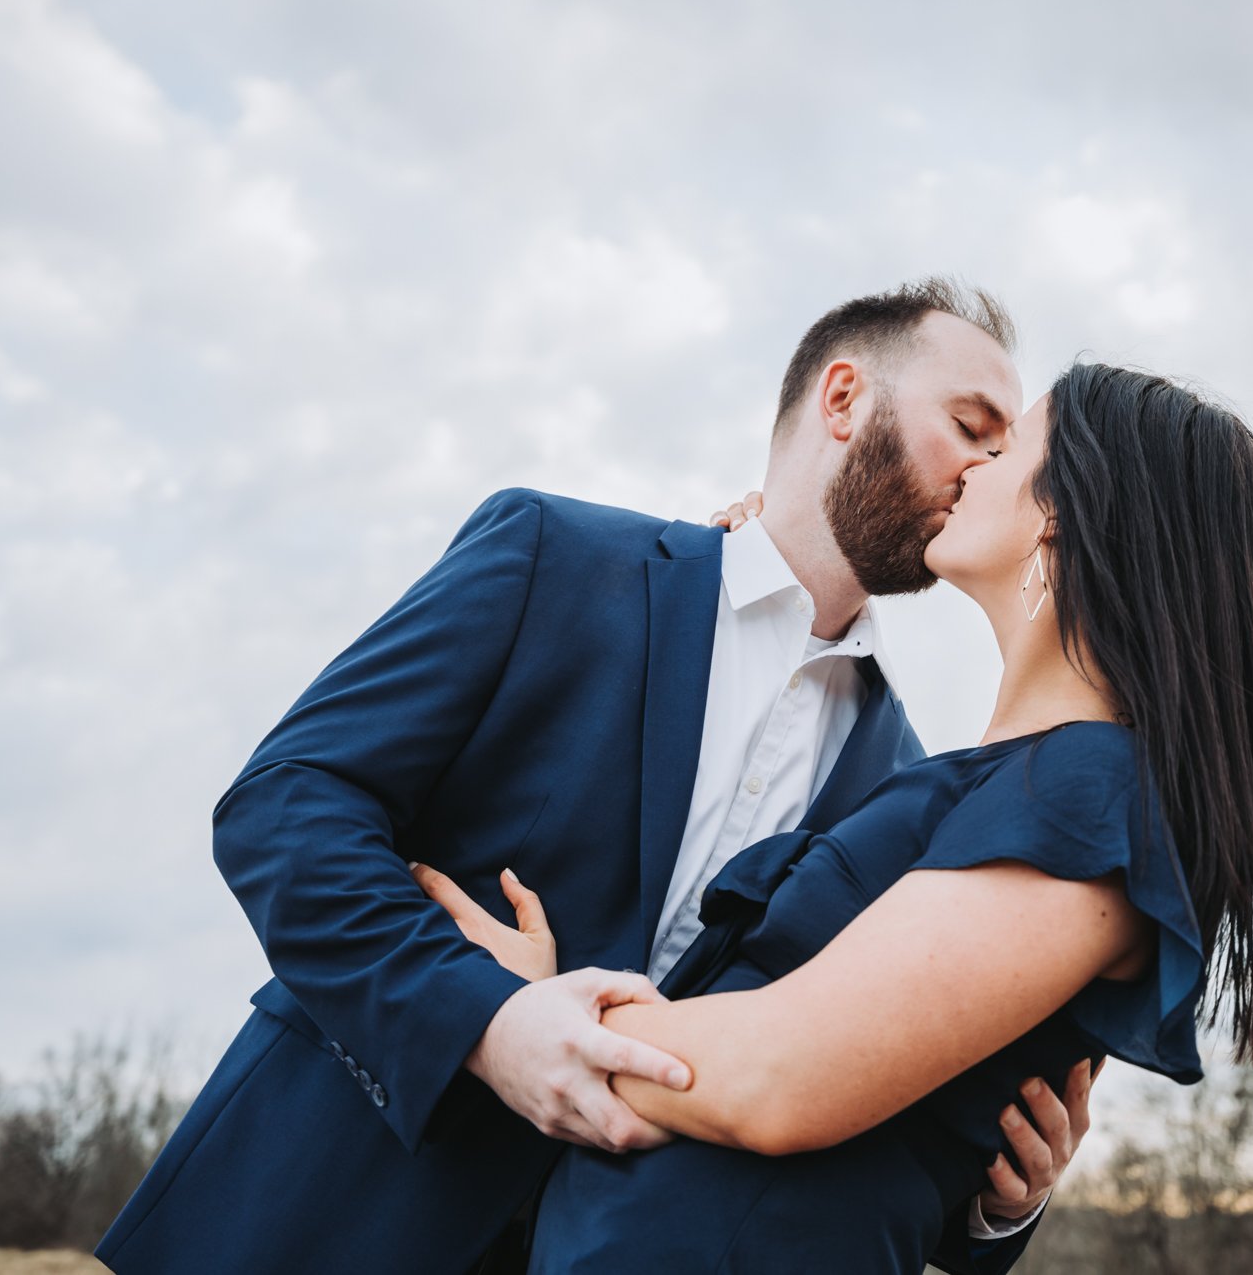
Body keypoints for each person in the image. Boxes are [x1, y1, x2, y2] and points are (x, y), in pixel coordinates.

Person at [97, 279, 1089, 1275]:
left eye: (1005, 452)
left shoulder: (902, 781)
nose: (986, 469)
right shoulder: (552, 556)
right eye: (970, 427)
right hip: (320, 1209)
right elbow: (284, 804)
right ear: (840, 400)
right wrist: (484, 1019)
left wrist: (997, 1209)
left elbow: (833, 1070)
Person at [413, 362, 1253, 1271]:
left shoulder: (1088, 797)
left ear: (1066, 514)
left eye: (1008, 444)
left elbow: (781, 1074)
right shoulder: (987, 782)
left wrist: (531, 1009)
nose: (972, 466)